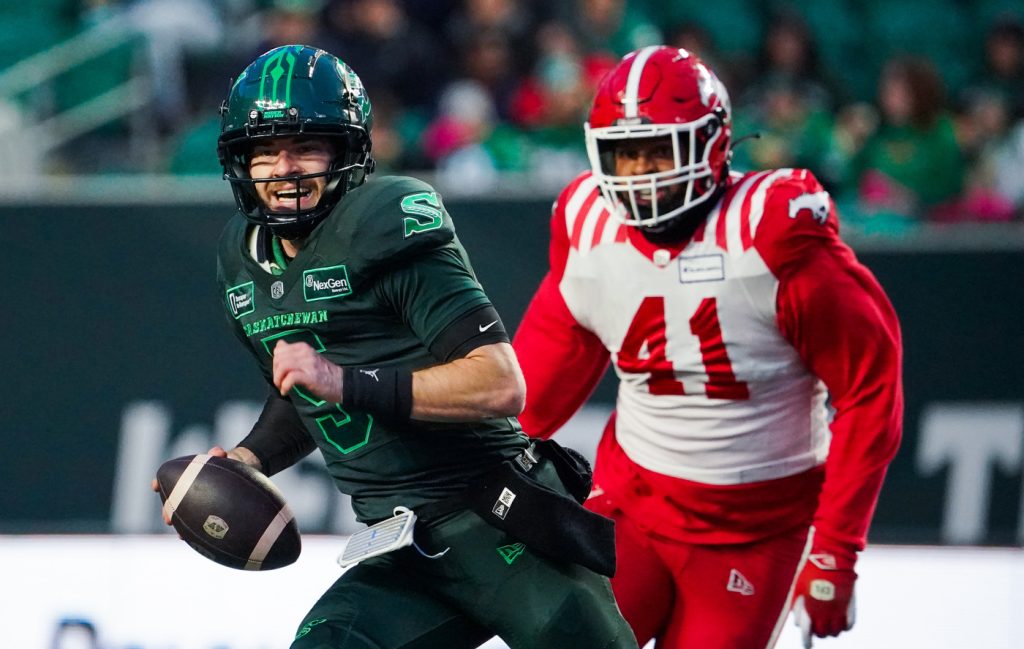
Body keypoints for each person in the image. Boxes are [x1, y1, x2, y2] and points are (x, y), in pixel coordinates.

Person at [155, 44, 636, 649]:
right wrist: (248, 460)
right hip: (405, 550)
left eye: (307, 147)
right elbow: (305, 395)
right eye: (265, 151)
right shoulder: (240, 258)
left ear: (347, 152)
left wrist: (343, 380)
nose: (284, 167)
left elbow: (499, 383)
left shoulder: (382, 224)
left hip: (499, 522)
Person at [512, 45, 903, 648]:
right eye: (624, 155)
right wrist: (477, 471)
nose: (640, 176)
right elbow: (539, 381)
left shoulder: (771, 232)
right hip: (632, 502)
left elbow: (871, 390)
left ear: (714, 144)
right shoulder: (588, 221)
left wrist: (835, 549)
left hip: (754, 530)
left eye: (657, 153)